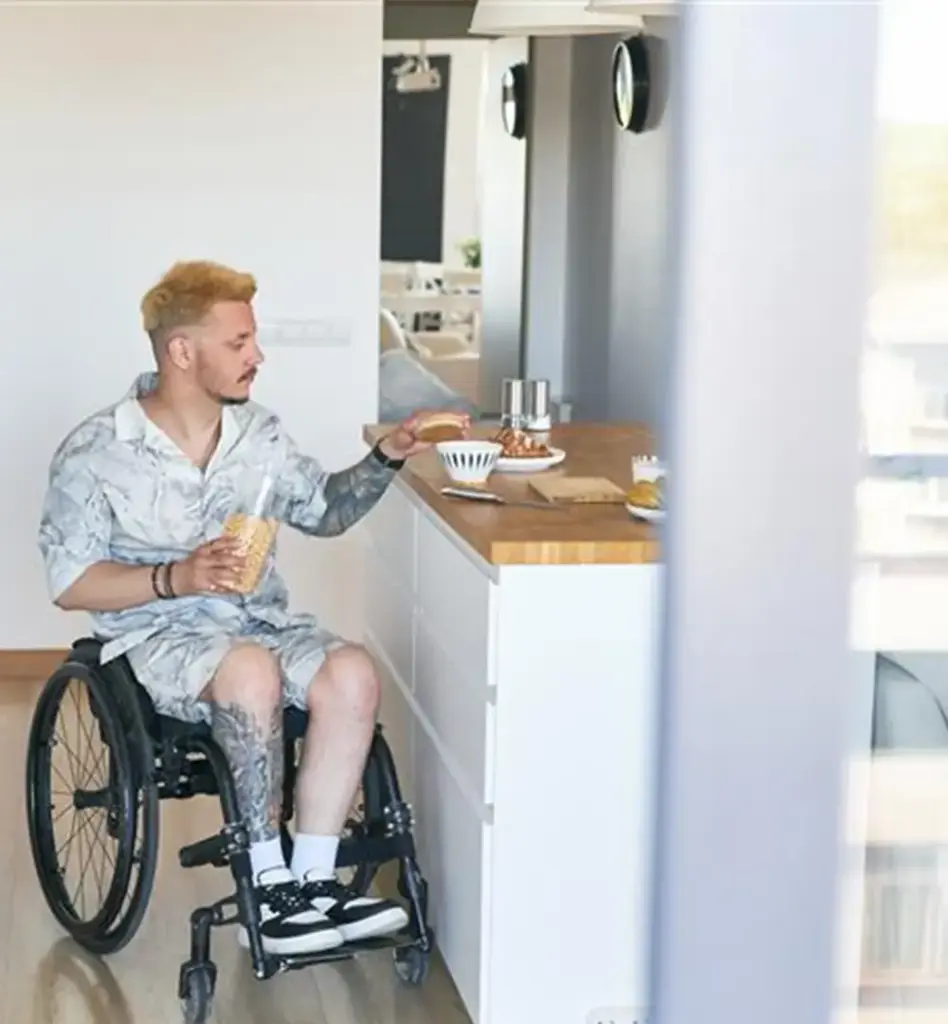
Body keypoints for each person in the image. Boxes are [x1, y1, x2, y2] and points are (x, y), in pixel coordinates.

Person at [37, 259, 469, 957]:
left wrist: (388, 455)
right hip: (159, 637)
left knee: (352, 673)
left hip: (258, 625)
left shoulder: (260, 436)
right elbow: (72, 582)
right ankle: (267, 889)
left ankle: (314, 881)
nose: (257, 356)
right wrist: (175, 577)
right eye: (239, 342)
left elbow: (325, 512)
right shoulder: (97, 452)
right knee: (248, 672)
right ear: (182, 351)